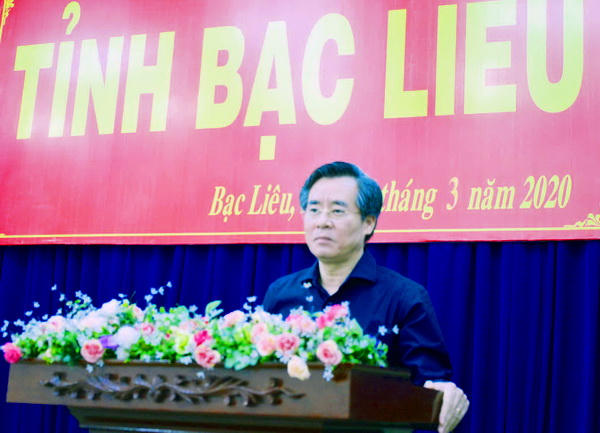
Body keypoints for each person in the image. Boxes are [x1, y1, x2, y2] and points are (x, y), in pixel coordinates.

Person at [262, 161, 469, 433]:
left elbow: (430, 386)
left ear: (368, 223)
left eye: (337, 211)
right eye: (314, 210)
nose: (322, 222)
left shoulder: (404, 297)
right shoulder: (281, 293)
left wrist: (443, 391)